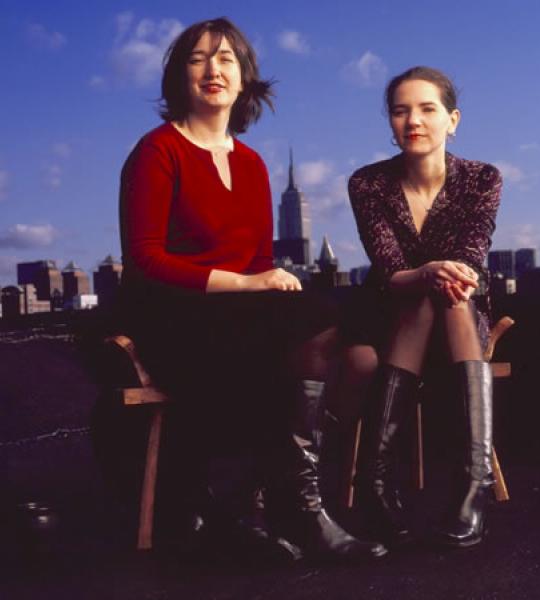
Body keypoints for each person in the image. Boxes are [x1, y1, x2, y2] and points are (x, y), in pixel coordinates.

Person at [118, 17, 385, 562]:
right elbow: (145, 260)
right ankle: (282, 506)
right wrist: (244, 283)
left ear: (244, 80)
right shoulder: (157, 151)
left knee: (325, 325)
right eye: (197, 59)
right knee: (304, 326)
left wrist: (262, 283)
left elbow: (262, 261)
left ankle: (287, 501)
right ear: (178, 76)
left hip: (239, 313)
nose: (213, 70)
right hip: (173, 313)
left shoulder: (253, 164)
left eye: (226, 60)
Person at [346, 66, 502, 548]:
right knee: (424, 292)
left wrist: (442, 274)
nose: (413, 120)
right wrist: (429, 273)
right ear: (390, 123)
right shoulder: (368, 184)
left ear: (452, 119)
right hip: (388, 312)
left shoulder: (481, 178)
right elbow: (389, 267)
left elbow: (471, 256)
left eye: (427, 108)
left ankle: (468, 485)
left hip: (459, 312)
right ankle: (393, 487)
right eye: (400, 110)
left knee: (449, 292)